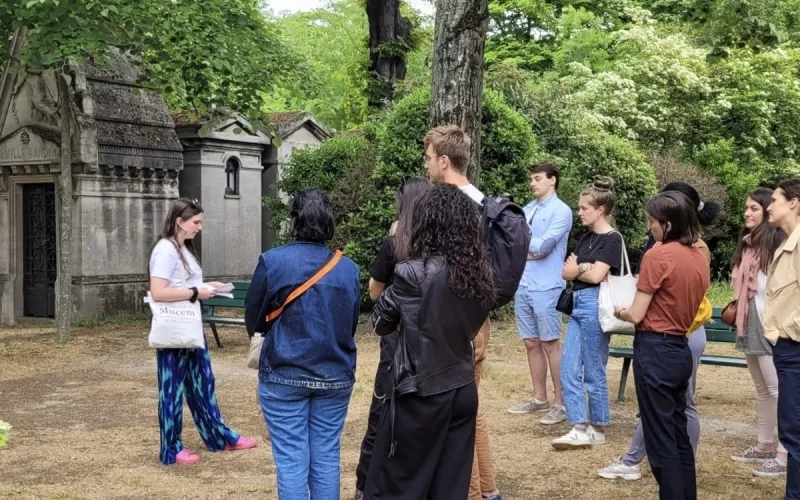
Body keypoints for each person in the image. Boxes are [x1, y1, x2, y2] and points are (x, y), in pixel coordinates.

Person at [364, 183, 495, 500]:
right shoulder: (479, 272)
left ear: (427, 223)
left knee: (399, 484)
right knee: (449, 487)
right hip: (462, 387)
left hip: (421, 391)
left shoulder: (413, 272)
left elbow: (380, 322)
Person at [245, 189, 360, 500]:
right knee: (325, 455)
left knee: (292, 459)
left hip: (284, 370)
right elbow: (349, 324)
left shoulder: (273, 262)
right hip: (335, 372)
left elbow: (254, 319)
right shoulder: (348, 269)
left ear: (294, 220)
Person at [598, 181, 719, 480]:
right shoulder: (699, 256)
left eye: (652, 222)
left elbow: (637, 313)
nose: (649, 227)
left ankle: (640, 469)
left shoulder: (658, 255)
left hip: (655, 346)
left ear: (667, 224)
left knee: (661, 441)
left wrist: (622, 311)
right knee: (678, 438)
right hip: (680, 345)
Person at [423, 124, 501, 500]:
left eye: (428, 157)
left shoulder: (457, 205)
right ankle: (488, 489)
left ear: (443, 160)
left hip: (456, 321)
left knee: (457, 414)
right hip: (476, 316)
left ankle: (470, 493)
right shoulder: (484, 202)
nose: (425, 165)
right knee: (471, 406)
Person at [148, 198, 257, 465]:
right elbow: (159, 291)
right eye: (196, 222)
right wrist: (197, 291)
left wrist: (208, 286)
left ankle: (219, 436)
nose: (199, 227)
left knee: (203, 383)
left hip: (188, 327)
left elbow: (180, 284)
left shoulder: (181, 249)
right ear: (179, 222)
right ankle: (172, 448)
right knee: (172, 389)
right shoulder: (165, 250)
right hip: (175, 331)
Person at [354, 177, 431, 500]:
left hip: (398, 334)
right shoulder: (443, 242)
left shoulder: (395, 242)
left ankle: (365, 485)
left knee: (383, 408)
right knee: (426, 412)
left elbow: (375, 290)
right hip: (434, 336)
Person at [553, 176, 621, 449]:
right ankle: (578, 424)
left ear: (600, 210)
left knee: (594, 368)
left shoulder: (612, 240)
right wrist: (584, 267)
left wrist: (580, 268)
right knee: (568, 367)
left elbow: (595, 276)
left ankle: (598, 425)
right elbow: (566, 270)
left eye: (584, 208)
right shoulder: (586, 239)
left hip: (595, 304)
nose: (579, 212)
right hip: (578, 303)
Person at [729, 188, 788, 478]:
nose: (747, 213)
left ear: (766, 210)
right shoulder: (748, 244)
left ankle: (785, 454)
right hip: (749, 320)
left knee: (779, 390)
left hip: (769, 322)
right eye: (747, 208)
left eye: (753, 208)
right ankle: (764, 445)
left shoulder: (777, 241)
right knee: (763, 389)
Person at [508, 161, 572, 426]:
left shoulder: (562, 211)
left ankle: (561, 402)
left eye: (537, 178)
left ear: (552, 180)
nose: (532, 183)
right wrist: (526, 248)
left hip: (547, 285)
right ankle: (539, 397)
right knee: (531, 342)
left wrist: (525, 246)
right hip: (523, 283)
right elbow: (510, 242)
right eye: (532, 179)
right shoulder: (526, 209)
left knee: (549, 343)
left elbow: (545, 246)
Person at [763, 179, 800, 500]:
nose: (768, 206)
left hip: (795, 348)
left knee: (794, 431)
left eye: (774, 199)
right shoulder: (788, 242)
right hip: (786, 347)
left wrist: (792, 329)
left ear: (794, 203)